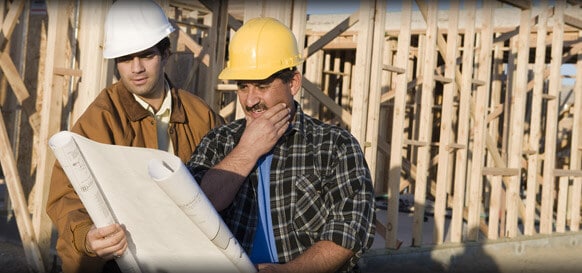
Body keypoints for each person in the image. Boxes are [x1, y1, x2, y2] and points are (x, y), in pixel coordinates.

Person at [187, 17, 375, 273]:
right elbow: (192, 210)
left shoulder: (335, 146)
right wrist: (247, 151)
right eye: (243, 87)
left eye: (262, 86)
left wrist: (288, 271)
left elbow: (349, 232)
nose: (250, 100)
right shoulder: (218, 142)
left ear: (293, 83)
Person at [45, 1, 223, 272]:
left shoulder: (201, 115)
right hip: (121, 260)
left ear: (165, 53)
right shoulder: (102, 118)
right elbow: (65, 193)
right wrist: (86, 235)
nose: (136, 68)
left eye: (146, 55)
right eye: (126, 58)